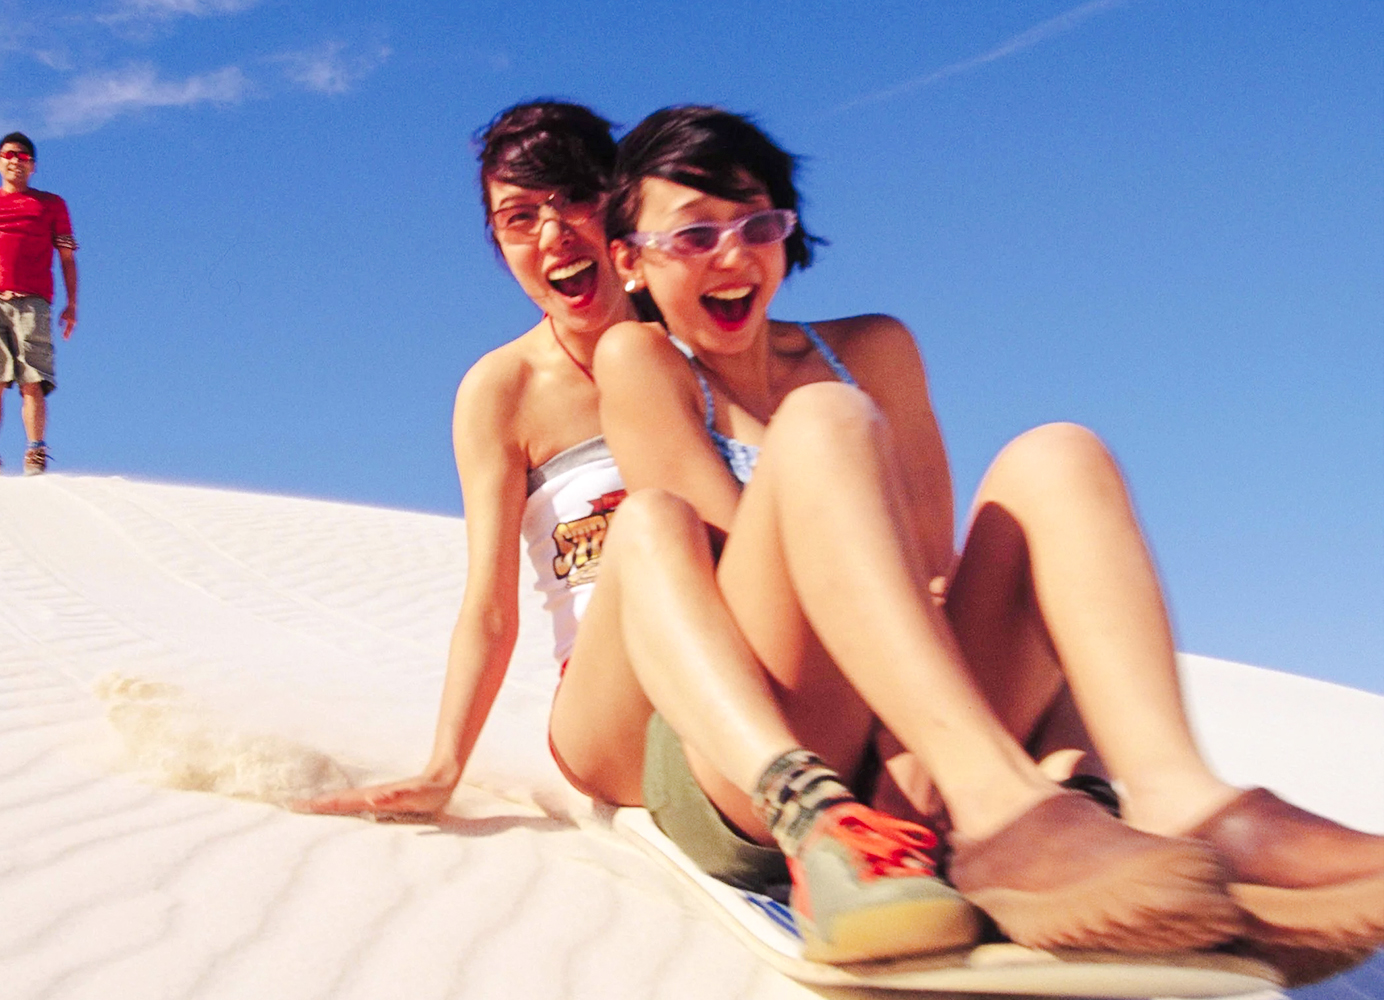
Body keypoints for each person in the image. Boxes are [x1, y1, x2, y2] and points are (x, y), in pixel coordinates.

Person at [578, 105, 1383, 975]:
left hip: (912, 731)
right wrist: (910, 747)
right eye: (695, 235)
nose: (733, 256)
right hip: (761, 735)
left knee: (1058, 457)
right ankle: (997, 809)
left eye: (758, 225)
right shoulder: (642, 361)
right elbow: (732, 587)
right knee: (822, 422)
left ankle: (1181, 799)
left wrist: (954, 743)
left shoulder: (871, 348)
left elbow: (928, 570)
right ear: (630, 260)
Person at [298, 100, 635, 818]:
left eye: (576, 197)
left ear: (624, 203)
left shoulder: (701, 340)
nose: (553, 234)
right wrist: (443, 768)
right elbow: (490, 604)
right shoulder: (503, 391)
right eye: (519, 217)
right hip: (612, 701)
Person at [0, 132, 79, 476]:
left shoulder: (51, 205)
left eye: (22, 158)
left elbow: (66, 258)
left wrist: (72, 304)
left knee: (32, 380)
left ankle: (35, 453)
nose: (15, 162)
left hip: (33, 301)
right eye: (9, 155)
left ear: (32, 166)